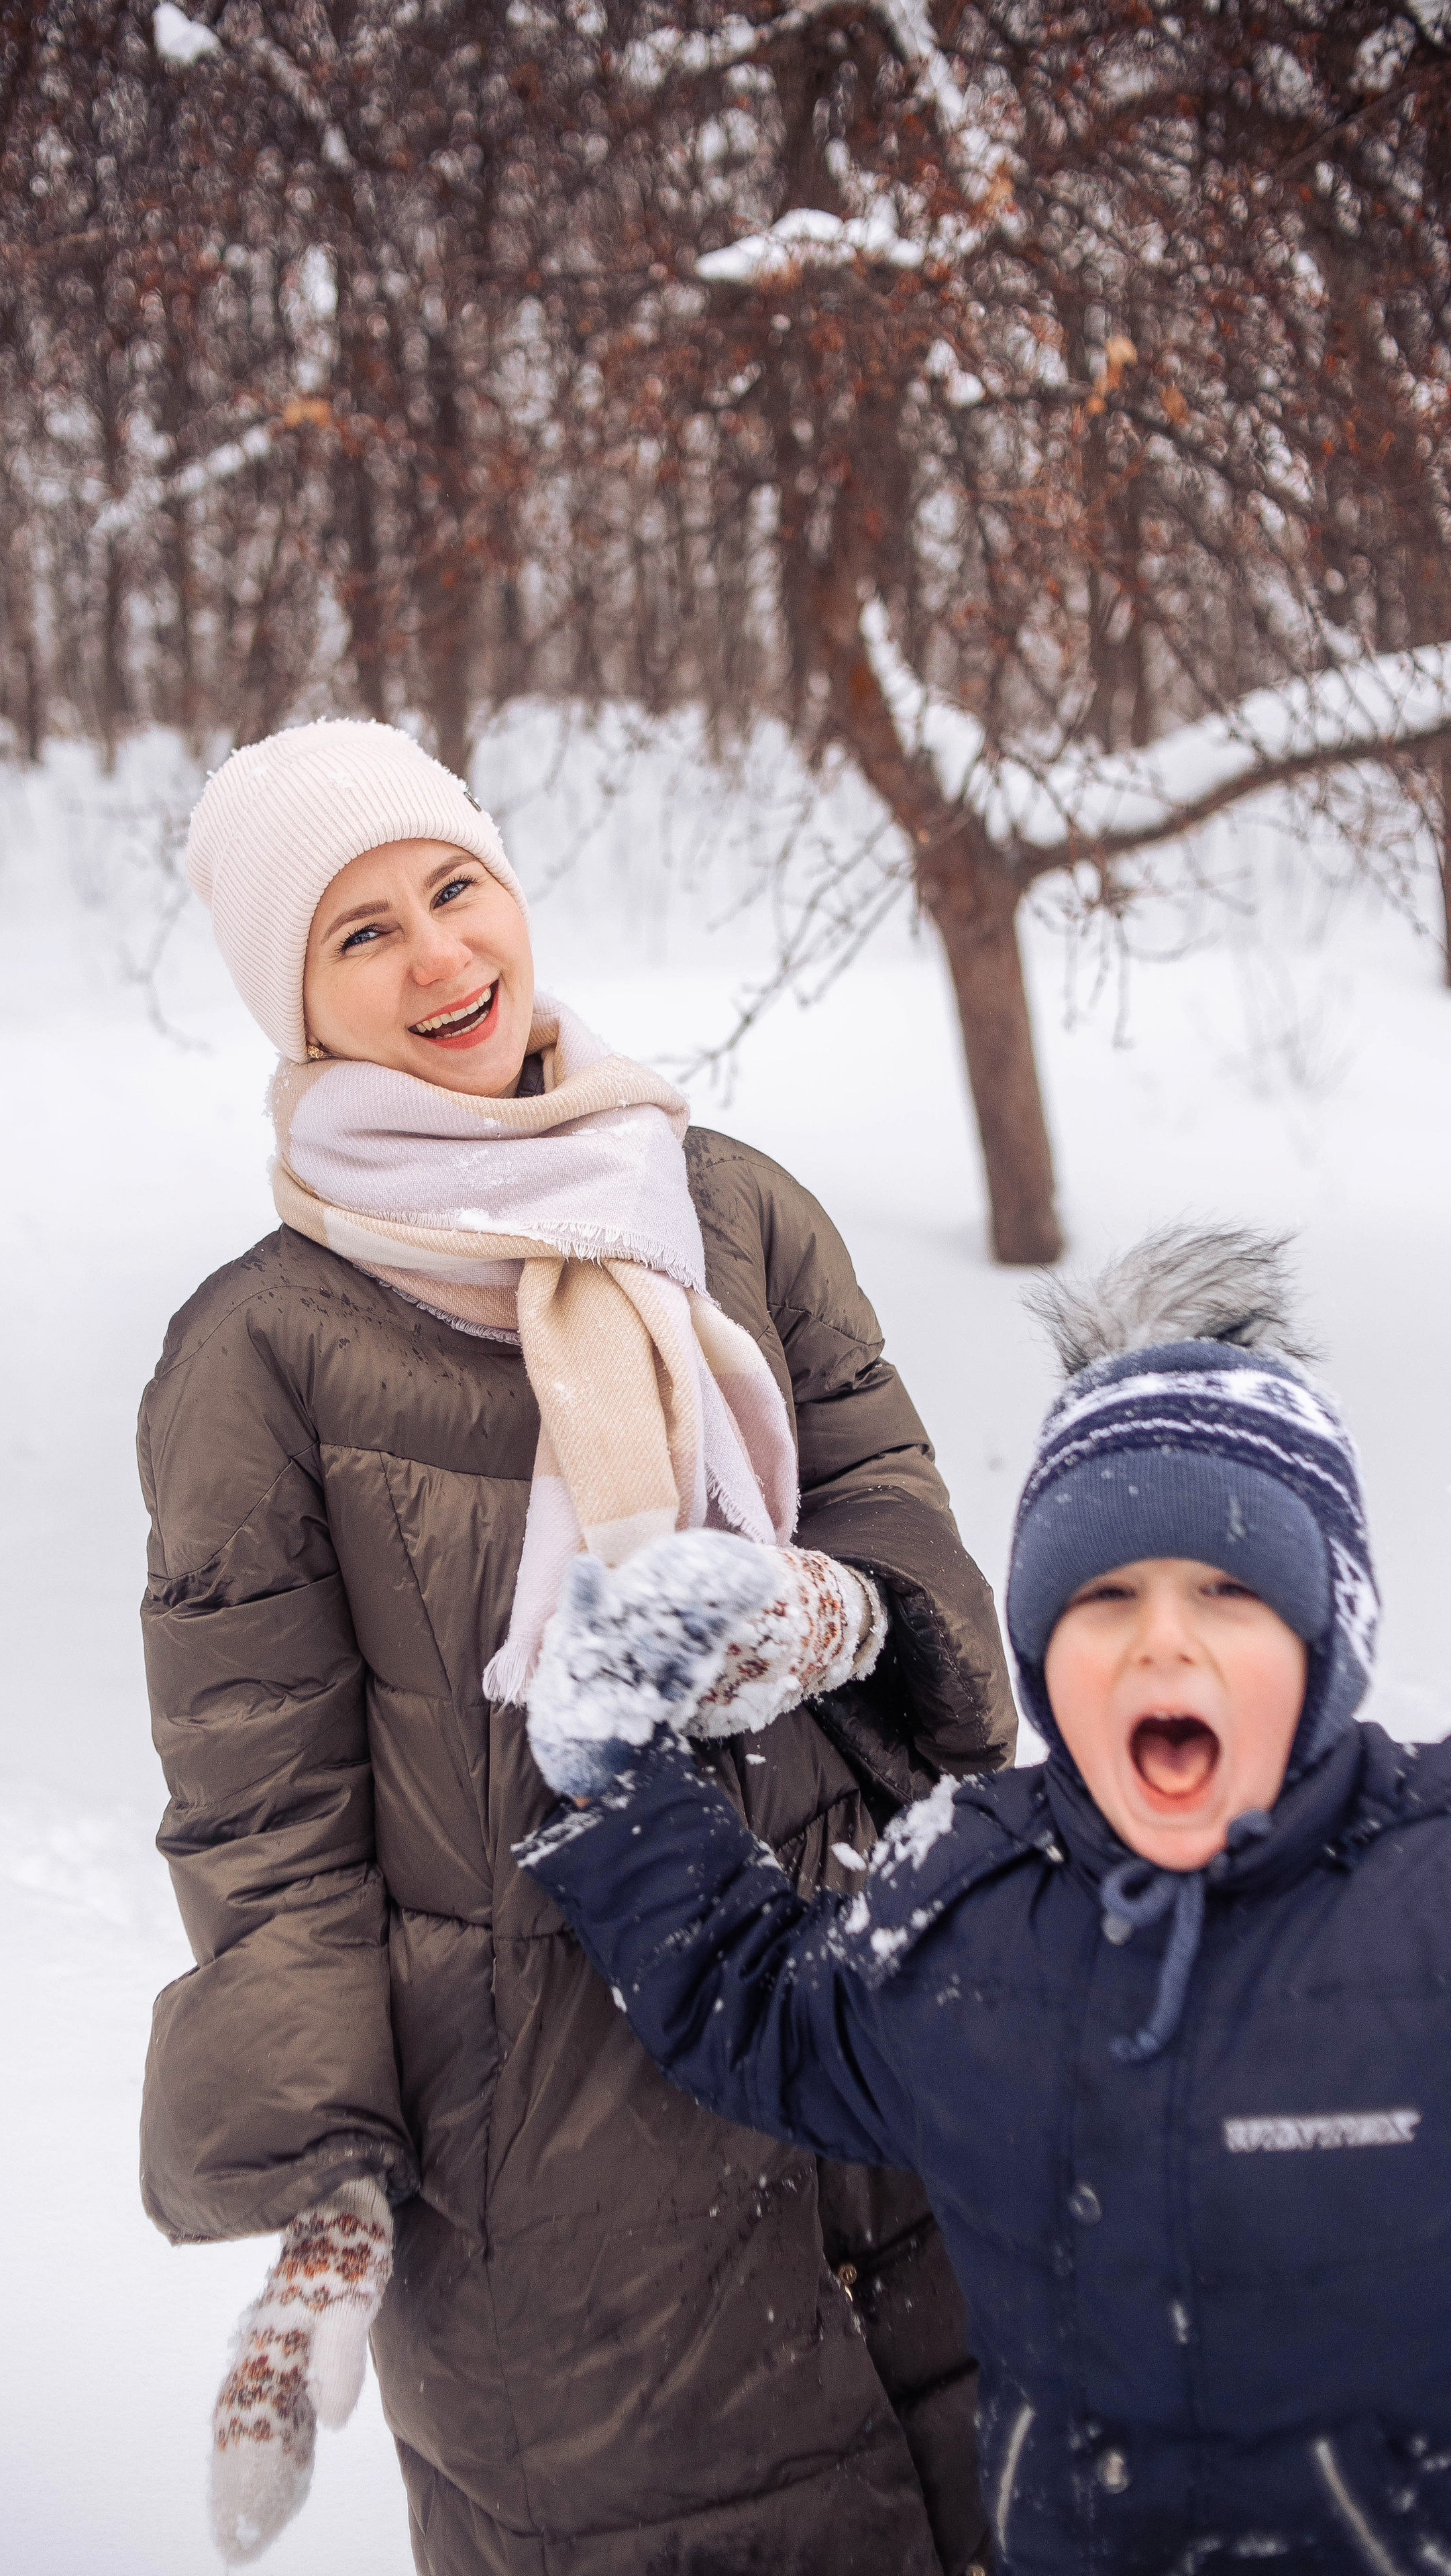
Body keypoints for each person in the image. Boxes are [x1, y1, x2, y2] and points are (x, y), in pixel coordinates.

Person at [136, 717, 1016, 2574]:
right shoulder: (260, 1357)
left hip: (885, 2062)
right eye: (358, 933)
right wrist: (325, 2200)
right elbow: (264, 1821)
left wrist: (842, 1610)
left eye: (458, 889)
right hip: (558, 2213)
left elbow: (905, 1528)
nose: (442, 958)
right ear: (289, 1001)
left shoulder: (726, 1207)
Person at [520, 1228, 1451, 2574]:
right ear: (1038, 1648)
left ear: (1327, 1643)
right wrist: (616, 1784)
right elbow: (766, 2018)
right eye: (1104, 1594)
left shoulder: (1424, 1887)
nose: (1162, 1638)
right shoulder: (966, 1900)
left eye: (1230, 1591)